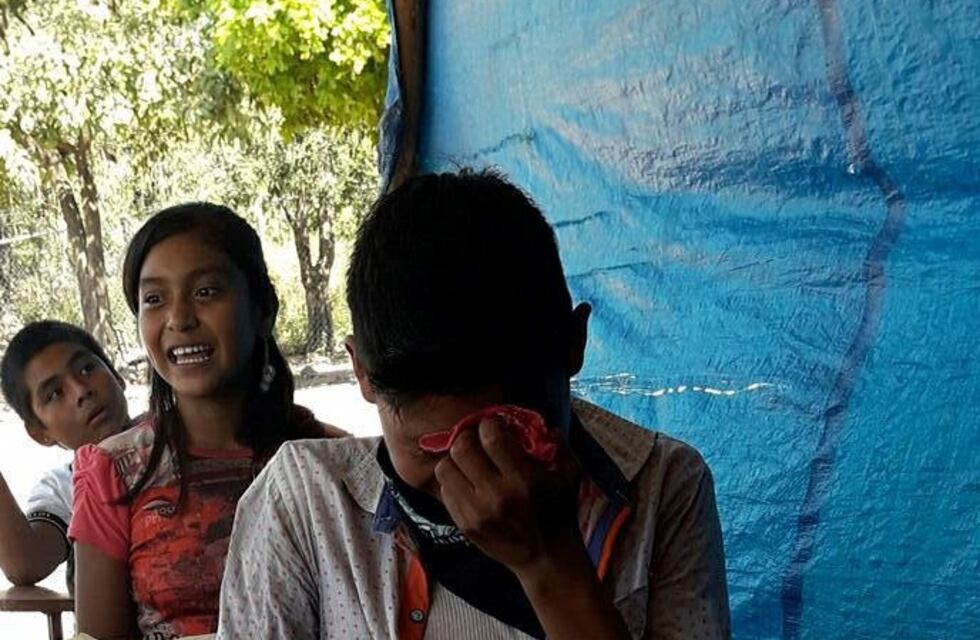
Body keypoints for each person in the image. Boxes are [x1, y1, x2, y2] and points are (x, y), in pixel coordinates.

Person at [217, 170, 731, 639]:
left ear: (574, 344)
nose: (482, 481)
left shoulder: (662, 485)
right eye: (433, 452)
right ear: (362, 374)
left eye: (514, 436)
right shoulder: (304, 505)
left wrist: (550, 564)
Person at [69, 203, 347, 640]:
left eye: (206, 292)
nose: (179, 319)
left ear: (263, 311)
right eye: (154, 299)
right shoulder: (115, 473)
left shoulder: (327, 460)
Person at [0, 321, 131, 590]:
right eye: (55, 393)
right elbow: (27, 563)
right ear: (40, 433)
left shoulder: (182, 435)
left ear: (116, 375)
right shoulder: (63, 488)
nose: (82, 391)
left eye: (87, 369)